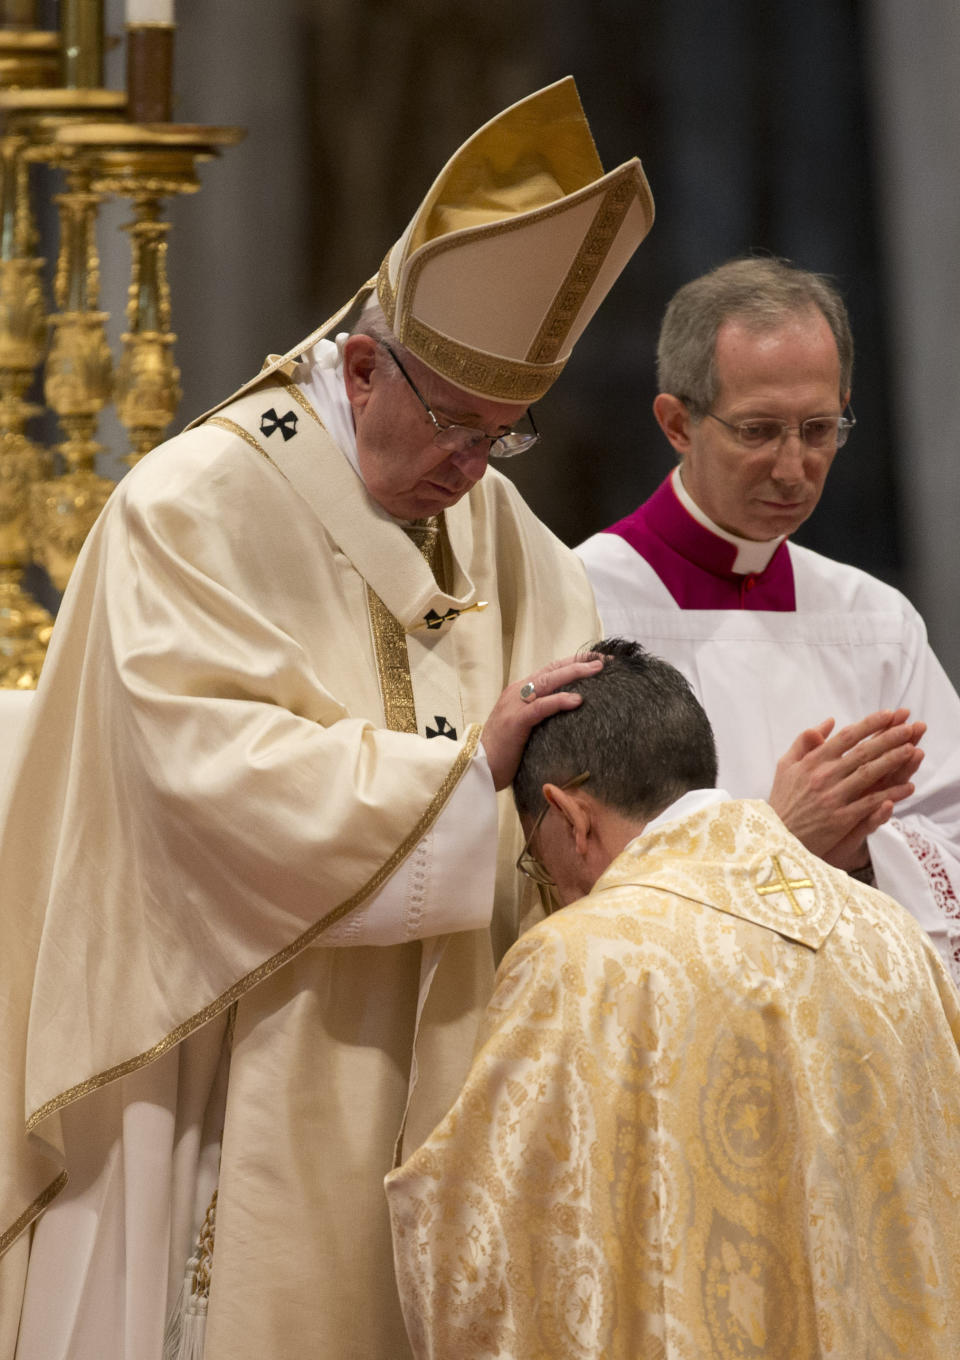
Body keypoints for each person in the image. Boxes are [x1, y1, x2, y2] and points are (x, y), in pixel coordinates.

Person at [0, 79, 655, 1360]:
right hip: (226, 1048)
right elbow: (202, 776)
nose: (473, 473)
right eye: (457, 428)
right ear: (361, 366)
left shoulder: (501, 534)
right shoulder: (189, 509)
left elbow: (560, 705)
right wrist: (465, 784)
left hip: (448, 1047)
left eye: (504, 439)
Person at [386, 638, 960, 1359]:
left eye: (540, 856)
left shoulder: (579, 955)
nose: (554, 883)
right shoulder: (890, 931)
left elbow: (491, 1238)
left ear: (571, 816)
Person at [576, 257, 960, 985]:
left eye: (819, 429)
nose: (793, 467)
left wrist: (874, 847)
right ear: (677, 422)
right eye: (759, 431)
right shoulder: (579, 601)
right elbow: (563, 869)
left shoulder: (874, 621)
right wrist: (779, 838)